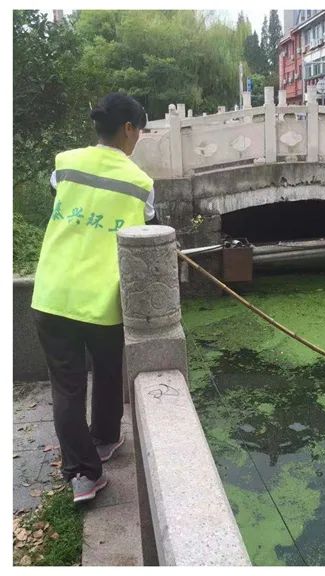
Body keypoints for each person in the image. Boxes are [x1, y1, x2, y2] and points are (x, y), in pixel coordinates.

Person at [32, 92, 157, 503]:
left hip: (52, 294)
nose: (138, 138)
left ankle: (83, 476)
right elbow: (149, 230)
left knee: (66, 388)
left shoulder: (64, 164)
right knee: (106, 372)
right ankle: (103, 440)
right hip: (102, 300)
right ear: (127, 129)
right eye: (139, 130)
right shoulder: (140, 184)